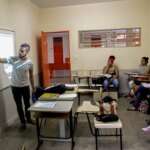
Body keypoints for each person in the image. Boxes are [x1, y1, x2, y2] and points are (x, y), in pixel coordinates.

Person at [0, 43, 35, 130]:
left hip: (25, 87)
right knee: (19, 105)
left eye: (22, 51)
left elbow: (31, 76)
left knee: (27, 104)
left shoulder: (29, 63)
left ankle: (29, 118)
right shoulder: (13, 59)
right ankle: (23, 122)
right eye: (20, 50)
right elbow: (1, 60)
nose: (20, 52)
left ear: (27, 52)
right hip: (15, 87)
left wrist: (33, 87)